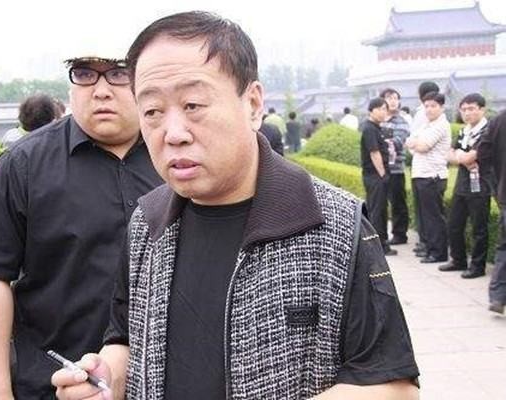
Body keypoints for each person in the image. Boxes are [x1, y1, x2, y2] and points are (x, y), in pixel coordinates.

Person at [52, 11, 419, 400]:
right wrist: (107, 377)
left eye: (193, 104)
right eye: (153, 112)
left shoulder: (335, 224)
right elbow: (126, 337)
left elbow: (394, 386)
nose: (173, 133)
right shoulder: (148, 222)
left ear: (253, 104)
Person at [0, 51, 163, 398]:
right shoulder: (24, 165)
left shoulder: (175, 155)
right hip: (56, 382)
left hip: (164, 380)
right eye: (85, 73)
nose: (101, 90)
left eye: (118, 73)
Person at [438, 93, 491, 279]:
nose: (467, 113)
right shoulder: (464, 131)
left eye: (471, 109)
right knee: (454, 224)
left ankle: (477, 266)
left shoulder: (487, 132)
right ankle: (458, 260)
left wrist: (461, 156)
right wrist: (463, 157)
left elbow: (470, 157)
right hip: (462, 184)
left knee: (479, 228)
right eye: (464, 109)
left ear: (482, 109)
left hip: (480, 185)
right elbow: (449, 155)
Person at [406, 92, 451, 263]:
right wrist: (415, 144)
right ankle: (430, 248)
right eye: (426, 106)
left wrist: (415, 144)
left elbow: (423, 146)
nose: (429, 109)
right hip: (420, 174)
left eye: (433, 106)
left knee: (434, 216)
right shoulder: (427, 124)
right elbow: (410, 143)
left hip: (432, 176)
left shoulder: (441, 125)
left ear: (442, 107)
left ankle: (439, 253)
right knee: (425, 216)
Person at [476, 109, 506, 313]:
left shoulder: (499, 119)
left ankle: (498, 295)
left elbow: (483, 154)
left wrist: (495, 186)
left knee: (504, 246)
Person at [360, 97, 396, 256]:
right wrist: (382, 175)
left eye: (385, 109)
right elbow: (374, 153)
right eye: (380, 109)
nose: (383, 112)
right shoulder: (369, 129)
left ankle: (382, 244)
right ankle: (378, 247)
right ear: (371, 110)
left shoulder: (376, 127)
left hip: (377, 177)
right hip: (375, 177)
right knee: (377, 212)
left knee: (380, 211)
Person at [380, 88, 410, 245]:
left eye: (395, 98)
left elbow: (398, 142)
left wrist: (380, 142)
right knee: (380, 203)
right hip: (379, 168)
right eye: (389, 98)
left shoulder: (401, 121)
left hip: (395, 168)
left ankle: (400, 234)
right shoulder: (378, 120)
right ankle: (381, 234)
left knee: (398, 202)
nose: (392, 101)